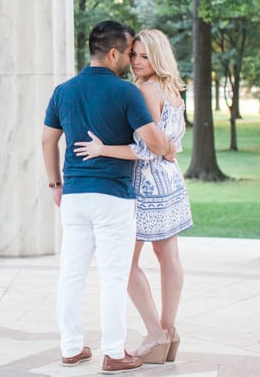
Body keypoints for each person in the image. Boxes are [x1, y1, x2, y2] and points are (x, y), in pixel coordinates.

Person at [42, 21, 176, 374]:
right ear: (114, 52)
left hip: (73, 195)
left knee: (71, 273)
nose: (130, 59)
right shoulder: (126, 92)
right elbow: (154, 141)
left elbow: (47, 140)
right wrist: (168, 147)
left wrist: (55, 185)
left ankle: (71, 348)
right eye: (128, 51)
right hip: (113, 196)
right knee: (114, 275)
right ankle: (114, 352)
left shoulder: (63, 90)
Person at [73, 28, 193, 365]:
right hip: (171, 180)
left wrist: (101, 148)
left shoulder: (145, 90)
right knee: (168, 255)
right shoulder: (174, 91)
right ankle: (169, 331)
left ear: (157, 57)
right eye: (134, 54)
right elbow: (172, 144)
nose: (137, 62)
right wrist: (167, 150)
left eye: (144, 56)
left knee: (125, 261)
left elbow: (144, 149)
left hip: (145, 184)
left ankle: (155, 332)